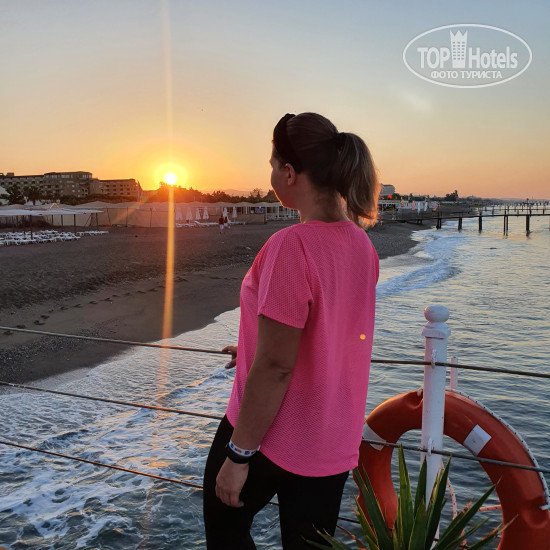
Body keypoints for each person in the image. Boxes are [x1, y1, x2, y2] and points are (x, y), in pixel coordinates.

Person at [203, 112, 380, 549]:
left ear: (288, 172)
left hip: (273, 435)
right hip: (331, 439)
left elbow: (277, 365)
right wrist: (250, 350)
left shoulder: (292, 245)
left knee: (225, 531)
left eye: (271, 165)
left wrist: (238, 454)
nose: (268, 176)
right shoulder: (362, 245)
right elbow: (326, 333)